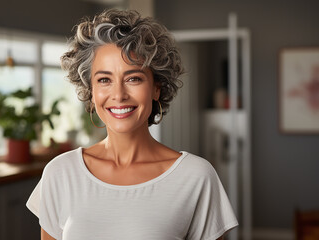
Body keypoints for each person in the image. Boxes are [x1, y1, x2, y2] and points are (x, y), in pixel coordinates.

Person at [26, 9, 238, 240]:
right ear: (91, 91)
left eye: (133, 78)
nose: (118, 94)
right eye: (104, 80)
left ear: (157, 87)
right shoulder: (60, 173)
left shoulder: (196, 177)